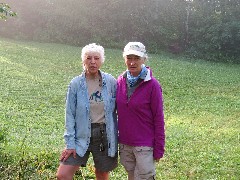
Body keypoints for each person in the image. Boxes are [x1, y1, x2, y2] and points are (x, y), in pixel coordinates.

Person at [56, 43, 118, 180]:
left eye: (96, 58)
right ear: (83, 60)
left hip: (104, 135)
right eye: (88, 58)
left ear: (101, 60)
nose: (93, 62)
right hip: (81, 135)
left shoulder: (111, 82)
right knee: (63, 175)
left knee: (101, 174)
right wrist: (70, 143)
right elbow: (69, 114)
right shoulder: (76, 84)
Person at [116, 42, 165, 180]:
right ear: (124, 59)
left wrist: (159, 147)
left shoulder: (153, 85)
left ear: (144, 59)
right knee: (131, 176)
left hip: (144, 145)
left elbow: (158, 118)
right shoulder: (120, 81)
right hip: (125, 142)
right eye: (129, 58)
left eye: (136, 58)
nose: (132, 62)